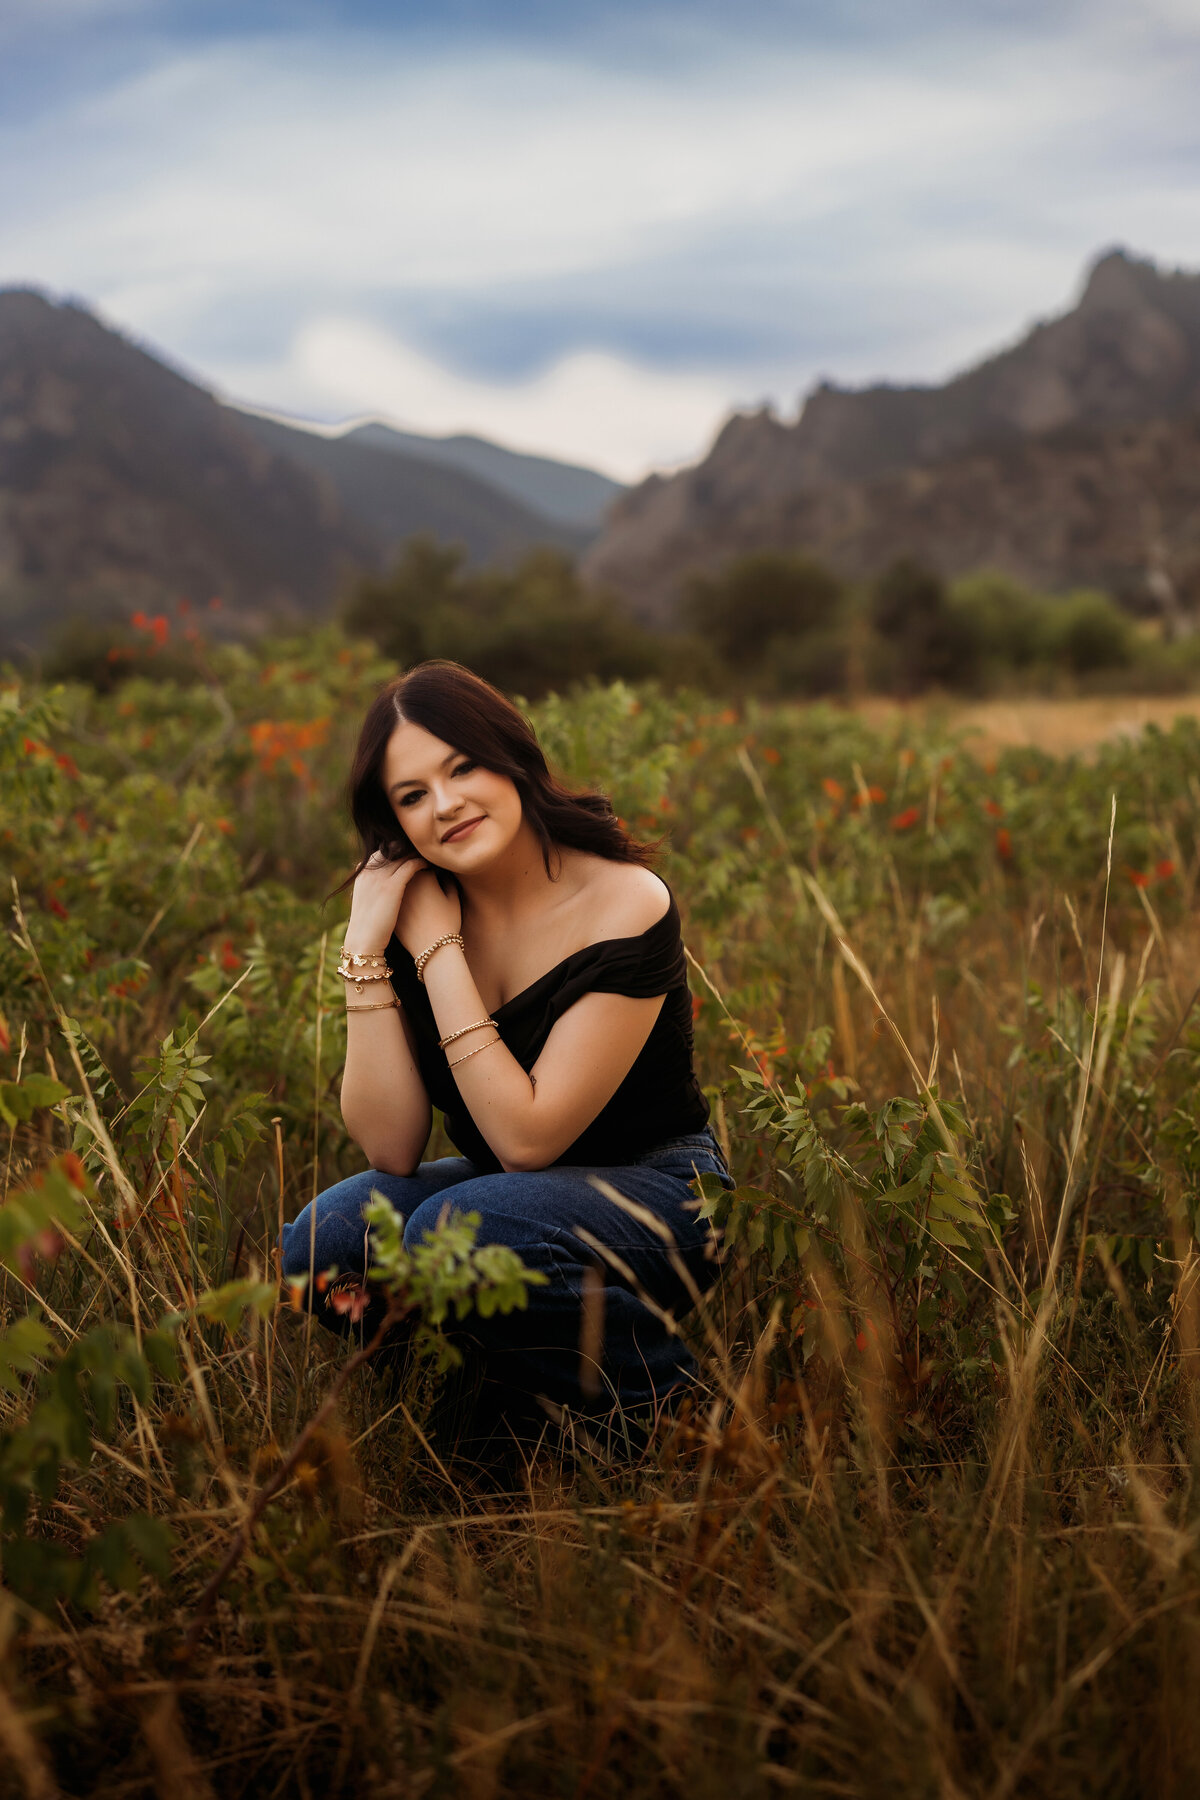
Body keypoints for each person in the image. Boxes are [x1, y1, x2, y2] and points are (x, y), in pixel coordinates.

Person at [279, 660, 731, 1440]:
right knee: (328, 1243)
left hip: (661, 1194)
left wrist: (438, 949)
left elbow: (526, 1139)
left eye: (463, 768)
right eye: (412, 796)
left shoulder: (621, 901)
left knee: (469, 1226)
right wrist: (364, 945)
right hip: (501, 1200)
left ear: (511, 758)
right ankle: (497, 1424)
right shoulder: (411, 913)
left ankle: (685, 1426)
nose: (446, 805)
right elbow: (390, 1146)